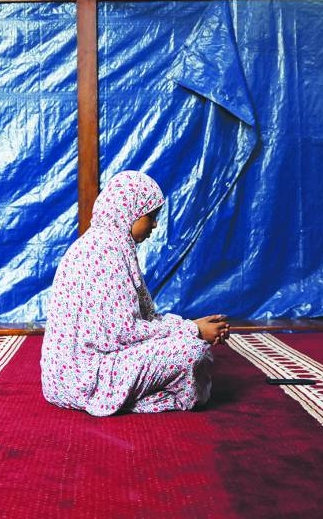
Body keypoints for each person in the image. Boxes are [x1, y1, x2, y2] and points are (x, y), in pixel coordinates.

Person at [41, 170, 230, 416]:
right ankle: (154, 398)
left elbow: (139, 323)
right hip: (85, 379)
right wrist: (193, 331)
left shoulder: (102, 242)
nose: (154, 224)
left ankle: (144, 395)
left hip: (66, 378)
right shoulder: (106, 251)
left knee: (187, 344)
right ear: (127, 211)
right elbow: (123, 332)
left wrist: (189, 327)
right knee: (194, 353)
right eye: (149, 216)